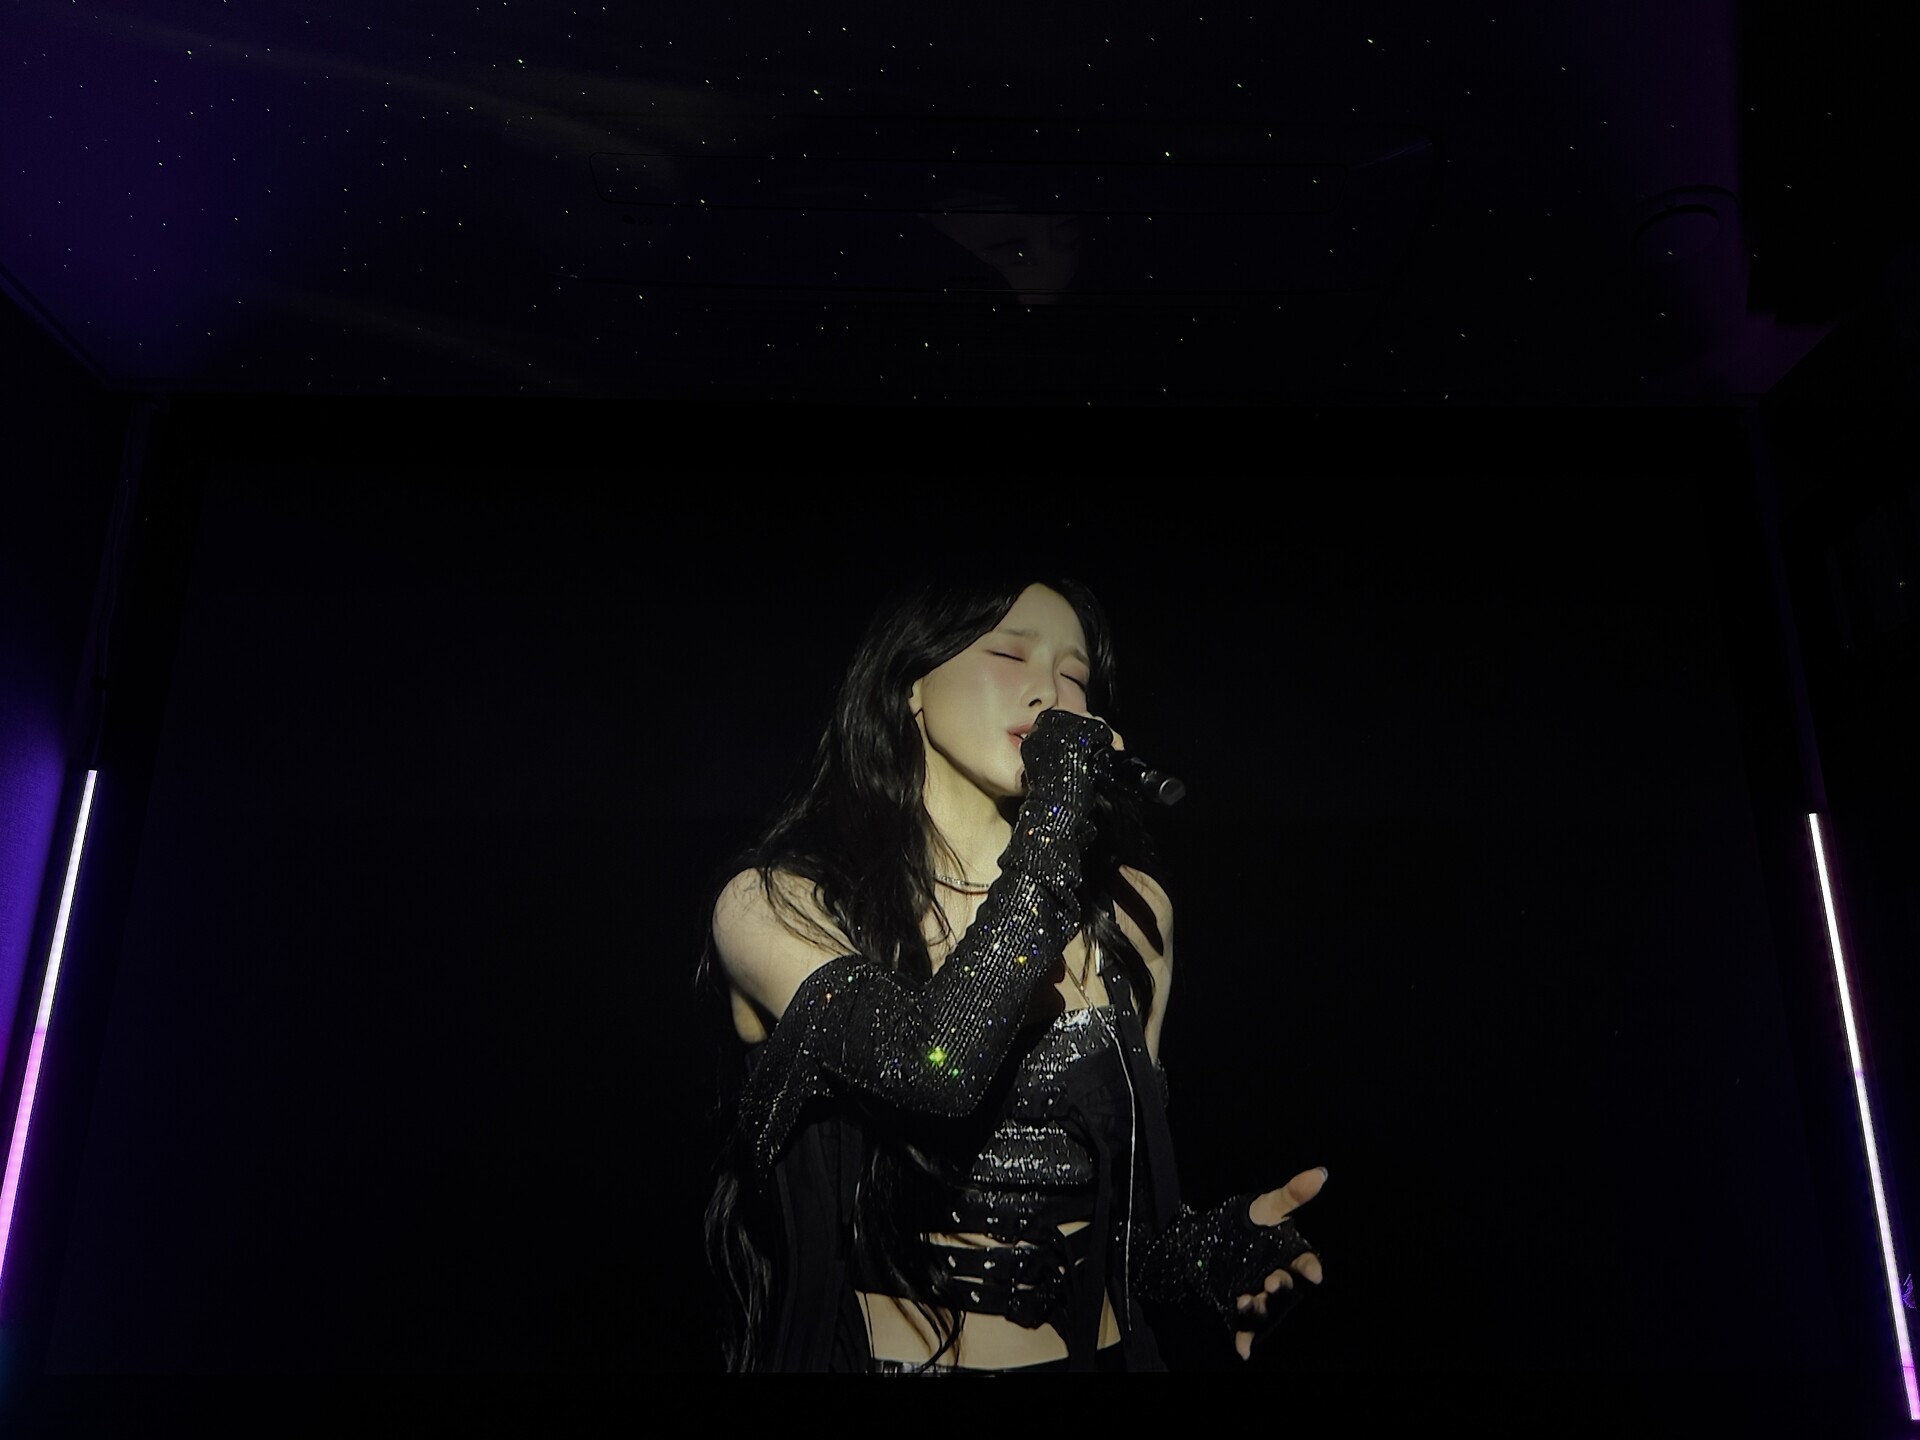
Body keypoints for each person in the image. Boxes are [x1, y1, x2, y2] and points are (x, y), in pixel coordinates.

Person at [698, 570, 1328, 1372]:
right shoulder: (776, 903)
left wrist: (1218, 1255)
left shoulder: (1134, 915)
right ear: (911, 682)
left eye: (1075, 675)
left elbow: (1129, 1240)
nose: (1051, 694)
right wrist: (1057, 815)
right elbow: (935, 1065)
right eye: (1010, 654)